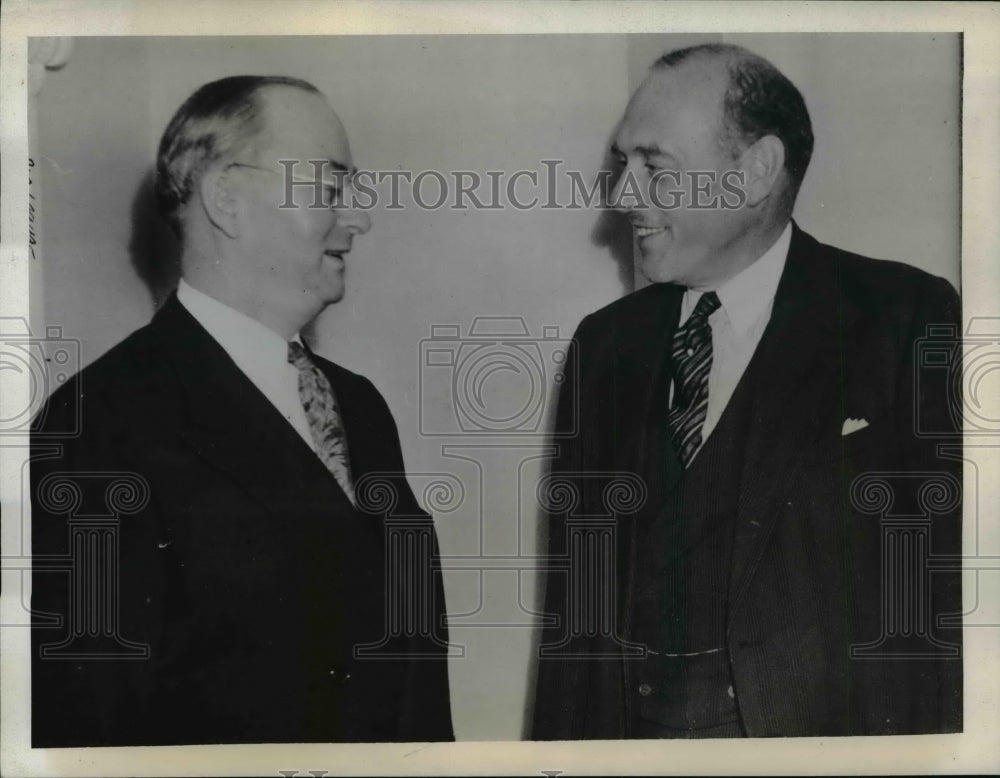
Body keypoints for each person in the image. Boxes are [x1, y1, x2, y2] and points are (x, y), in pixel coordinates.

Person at [532, 44, 962, 738]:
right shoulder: (603, 345)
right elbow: (572, 631)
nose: (623, 196)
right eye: (623, 164)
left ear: (756, 170)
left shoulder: (904, 317)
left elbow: (947, 613)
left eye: (656, 167)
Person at [31, 75, 453, 746]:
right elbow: (89, 722)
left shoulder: (361, 406)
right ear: (227, 200)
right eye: (329, 187)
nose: (361, 217)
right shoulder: (98, 420)